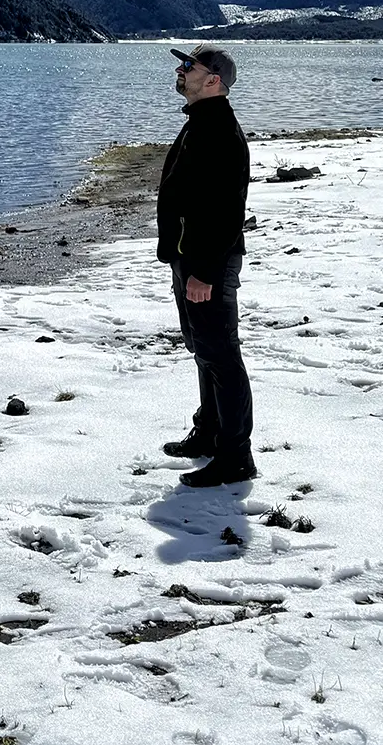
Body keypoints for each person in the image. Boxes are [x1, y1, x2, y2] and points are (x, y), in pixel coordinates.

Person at [157, 44, 255, 488]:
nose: (181, 71)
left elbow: (226, 212)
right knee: (204, 351)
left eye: (189, 66)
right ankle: (210, 433)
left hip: (207, 264)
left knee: (221, 355)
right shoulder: (201, 122)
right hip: (190, 259)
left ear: (213, 79)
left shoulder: (219, 131)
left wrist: (207, 272)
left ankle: (236, 456)